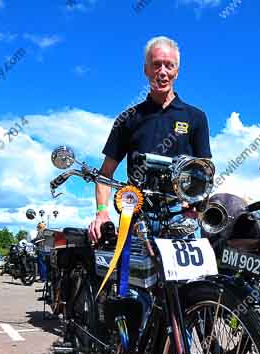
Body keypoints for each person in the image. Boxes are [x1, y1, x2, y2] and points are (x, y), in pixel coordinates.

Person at [88, 35, 212, 242]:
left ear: (177, 72)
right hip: (135, 214)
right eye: (156, 65)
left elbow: (205, 170)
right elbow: (105, 174)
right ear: (146, 69)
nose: (162, 72)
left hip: (180, 217)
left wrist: (194, 203)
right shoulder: (127, 118)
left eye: (169, 66)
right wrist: (102, 212)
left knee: (186, 277)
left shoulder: (196, 117)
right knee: (131, 274)